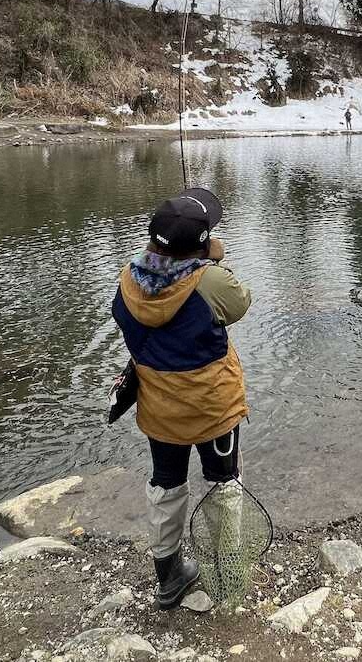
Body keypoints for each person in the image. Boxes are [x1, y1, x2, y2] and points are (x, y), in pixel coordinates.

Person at [111, 187, 252, 609]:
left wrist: (200, 256)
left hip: (159, 408)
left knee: (166, 485)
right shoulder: (209, 279)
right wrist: (212, 260)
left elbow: (127, 319)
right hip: (213, 408)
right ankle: (228, 576)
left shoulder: (127, 277)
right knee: (222, 485)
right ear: (202, 243)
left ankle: (169, 576)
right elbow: (240, 304)